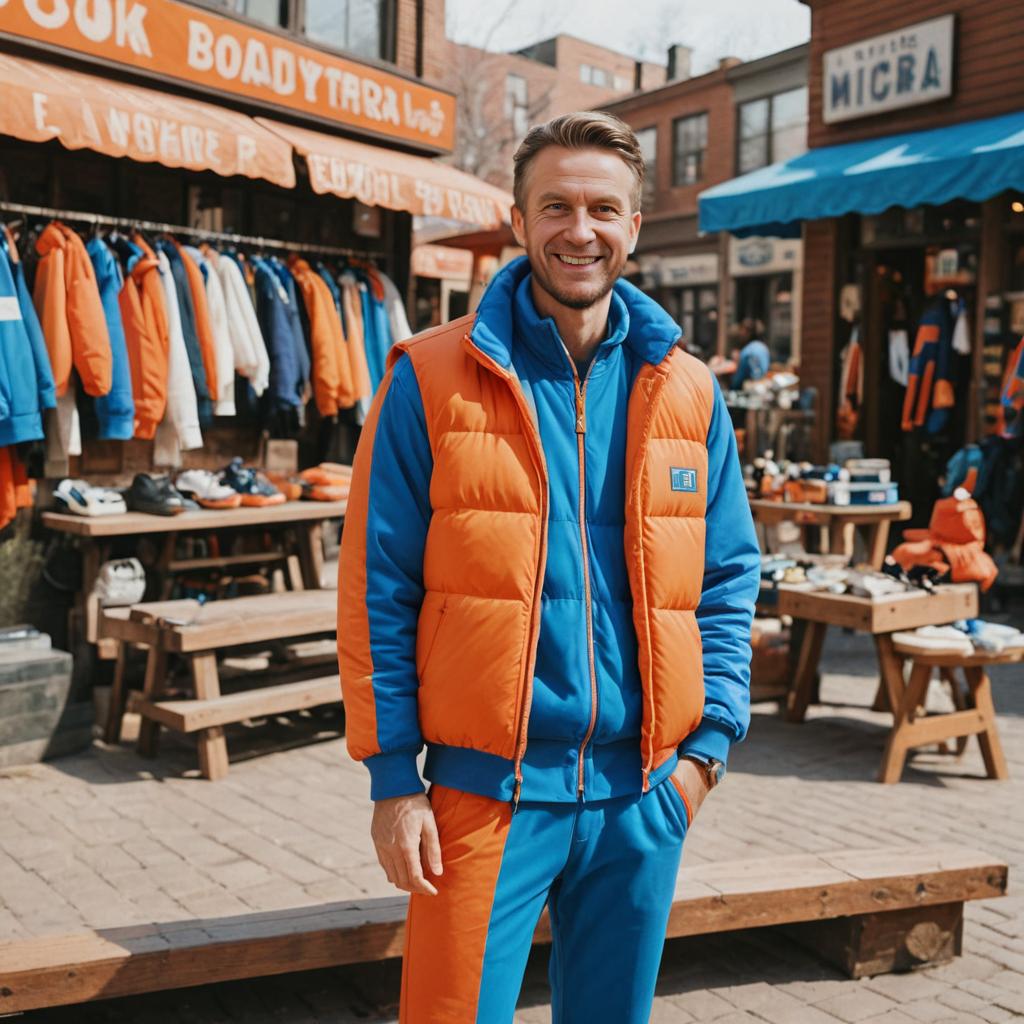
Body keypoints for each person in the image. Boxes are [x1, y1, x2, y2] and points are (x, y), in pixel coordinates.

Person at [338, 111, 760, 1023]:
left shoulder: (688, 390)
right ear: (520, 221)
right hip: (483, 796)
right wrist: (393, 784)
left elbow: (727, 578)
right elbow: (377, 589)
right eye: (556, 205)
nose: (581, 229)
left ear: (635, 226)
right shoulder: (427, 376)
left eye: (604, 208)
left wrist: (705, 757)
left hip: (643, 799)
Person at [729, 317, 771, 389]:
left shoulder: (749, 351)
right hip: (761, 387)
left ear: (747, 332)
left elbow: (754, 375)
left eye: (742, 330)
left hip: (749, 390)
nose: (740, 333)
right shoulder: (763, 347)